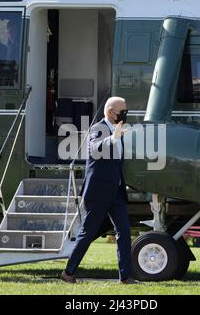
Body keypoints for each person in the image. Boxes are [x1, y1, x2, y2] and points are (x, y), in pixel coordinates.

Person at [61, 97, 135, 284]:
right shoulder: (98, 129)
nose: (125, 114)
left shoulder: (119, 130)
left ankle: (125, 277)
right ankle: (68, 272)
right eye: (122, 111)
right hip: (99, 192)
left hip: (116, 192)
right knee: (87, 233)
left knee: (124, 232)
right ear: (110, 112)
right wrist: (113, 138)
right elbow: (95, 149)